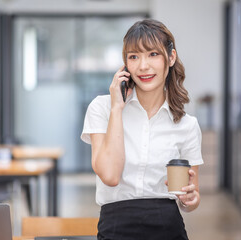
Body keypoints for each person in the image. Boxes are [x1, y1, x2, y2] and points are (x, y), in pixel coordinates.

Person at [81, 19, 204, 240]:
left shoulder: (187, 125)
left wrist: (191, 200)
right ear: (125, 65)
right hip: (115, 228)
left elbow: (189, 200)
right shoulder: (102, 108)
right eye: (134, 56)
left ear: (171, 57)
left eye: (153, 54)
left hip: (168, 229)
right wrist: (117, 108)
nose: (143, 66)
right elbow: (109, 176)